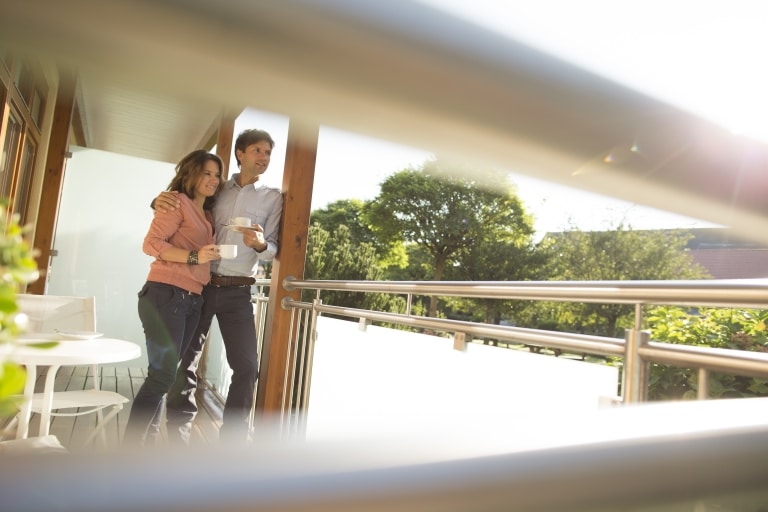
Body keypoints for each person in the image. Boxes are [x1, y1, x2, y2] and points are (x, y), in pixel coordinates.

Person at [153, 128, 282, 444]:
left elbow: (275, 246)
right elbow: (183, 202)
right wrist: (157, 199)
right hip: (201, 286)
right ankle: (178, 435)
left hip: (239, 292)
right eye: (257, 151)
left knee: (247, 366)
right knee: (186, 362)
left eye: (268, 153)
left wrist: (263, 243)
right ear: (240, 153)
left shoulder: (273, 197)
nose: (263, 158)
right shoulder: (216, 188)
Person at [124, 149, 223, 446]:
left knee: (164, 376)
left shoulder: (206, 214)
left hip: (192, 299)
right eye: (206, 172)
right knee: (162, 376)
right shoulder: (176, 201)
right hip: (166, 293)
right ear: (191, 173)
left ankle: (147, 447)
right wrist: (195, 256)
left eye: (217, 175)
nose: (213, 179)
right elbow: (151, 243)